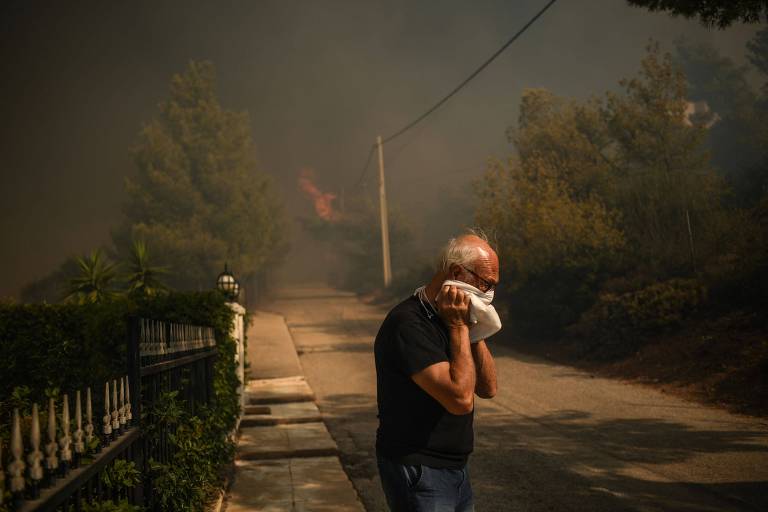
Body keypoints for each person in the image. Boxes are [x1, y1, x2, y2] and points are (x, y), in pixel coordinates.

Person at [374, 229, 499, 512]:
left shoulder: (455, 318)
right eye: (486, 284)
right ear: (457, 273)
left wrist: (474, 329)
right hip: (420, 469)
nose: (489, 294)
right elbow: (460, 400)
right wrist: (458, 327)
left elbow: (488, 388)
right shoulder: (408, 324)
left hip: (455, 469)